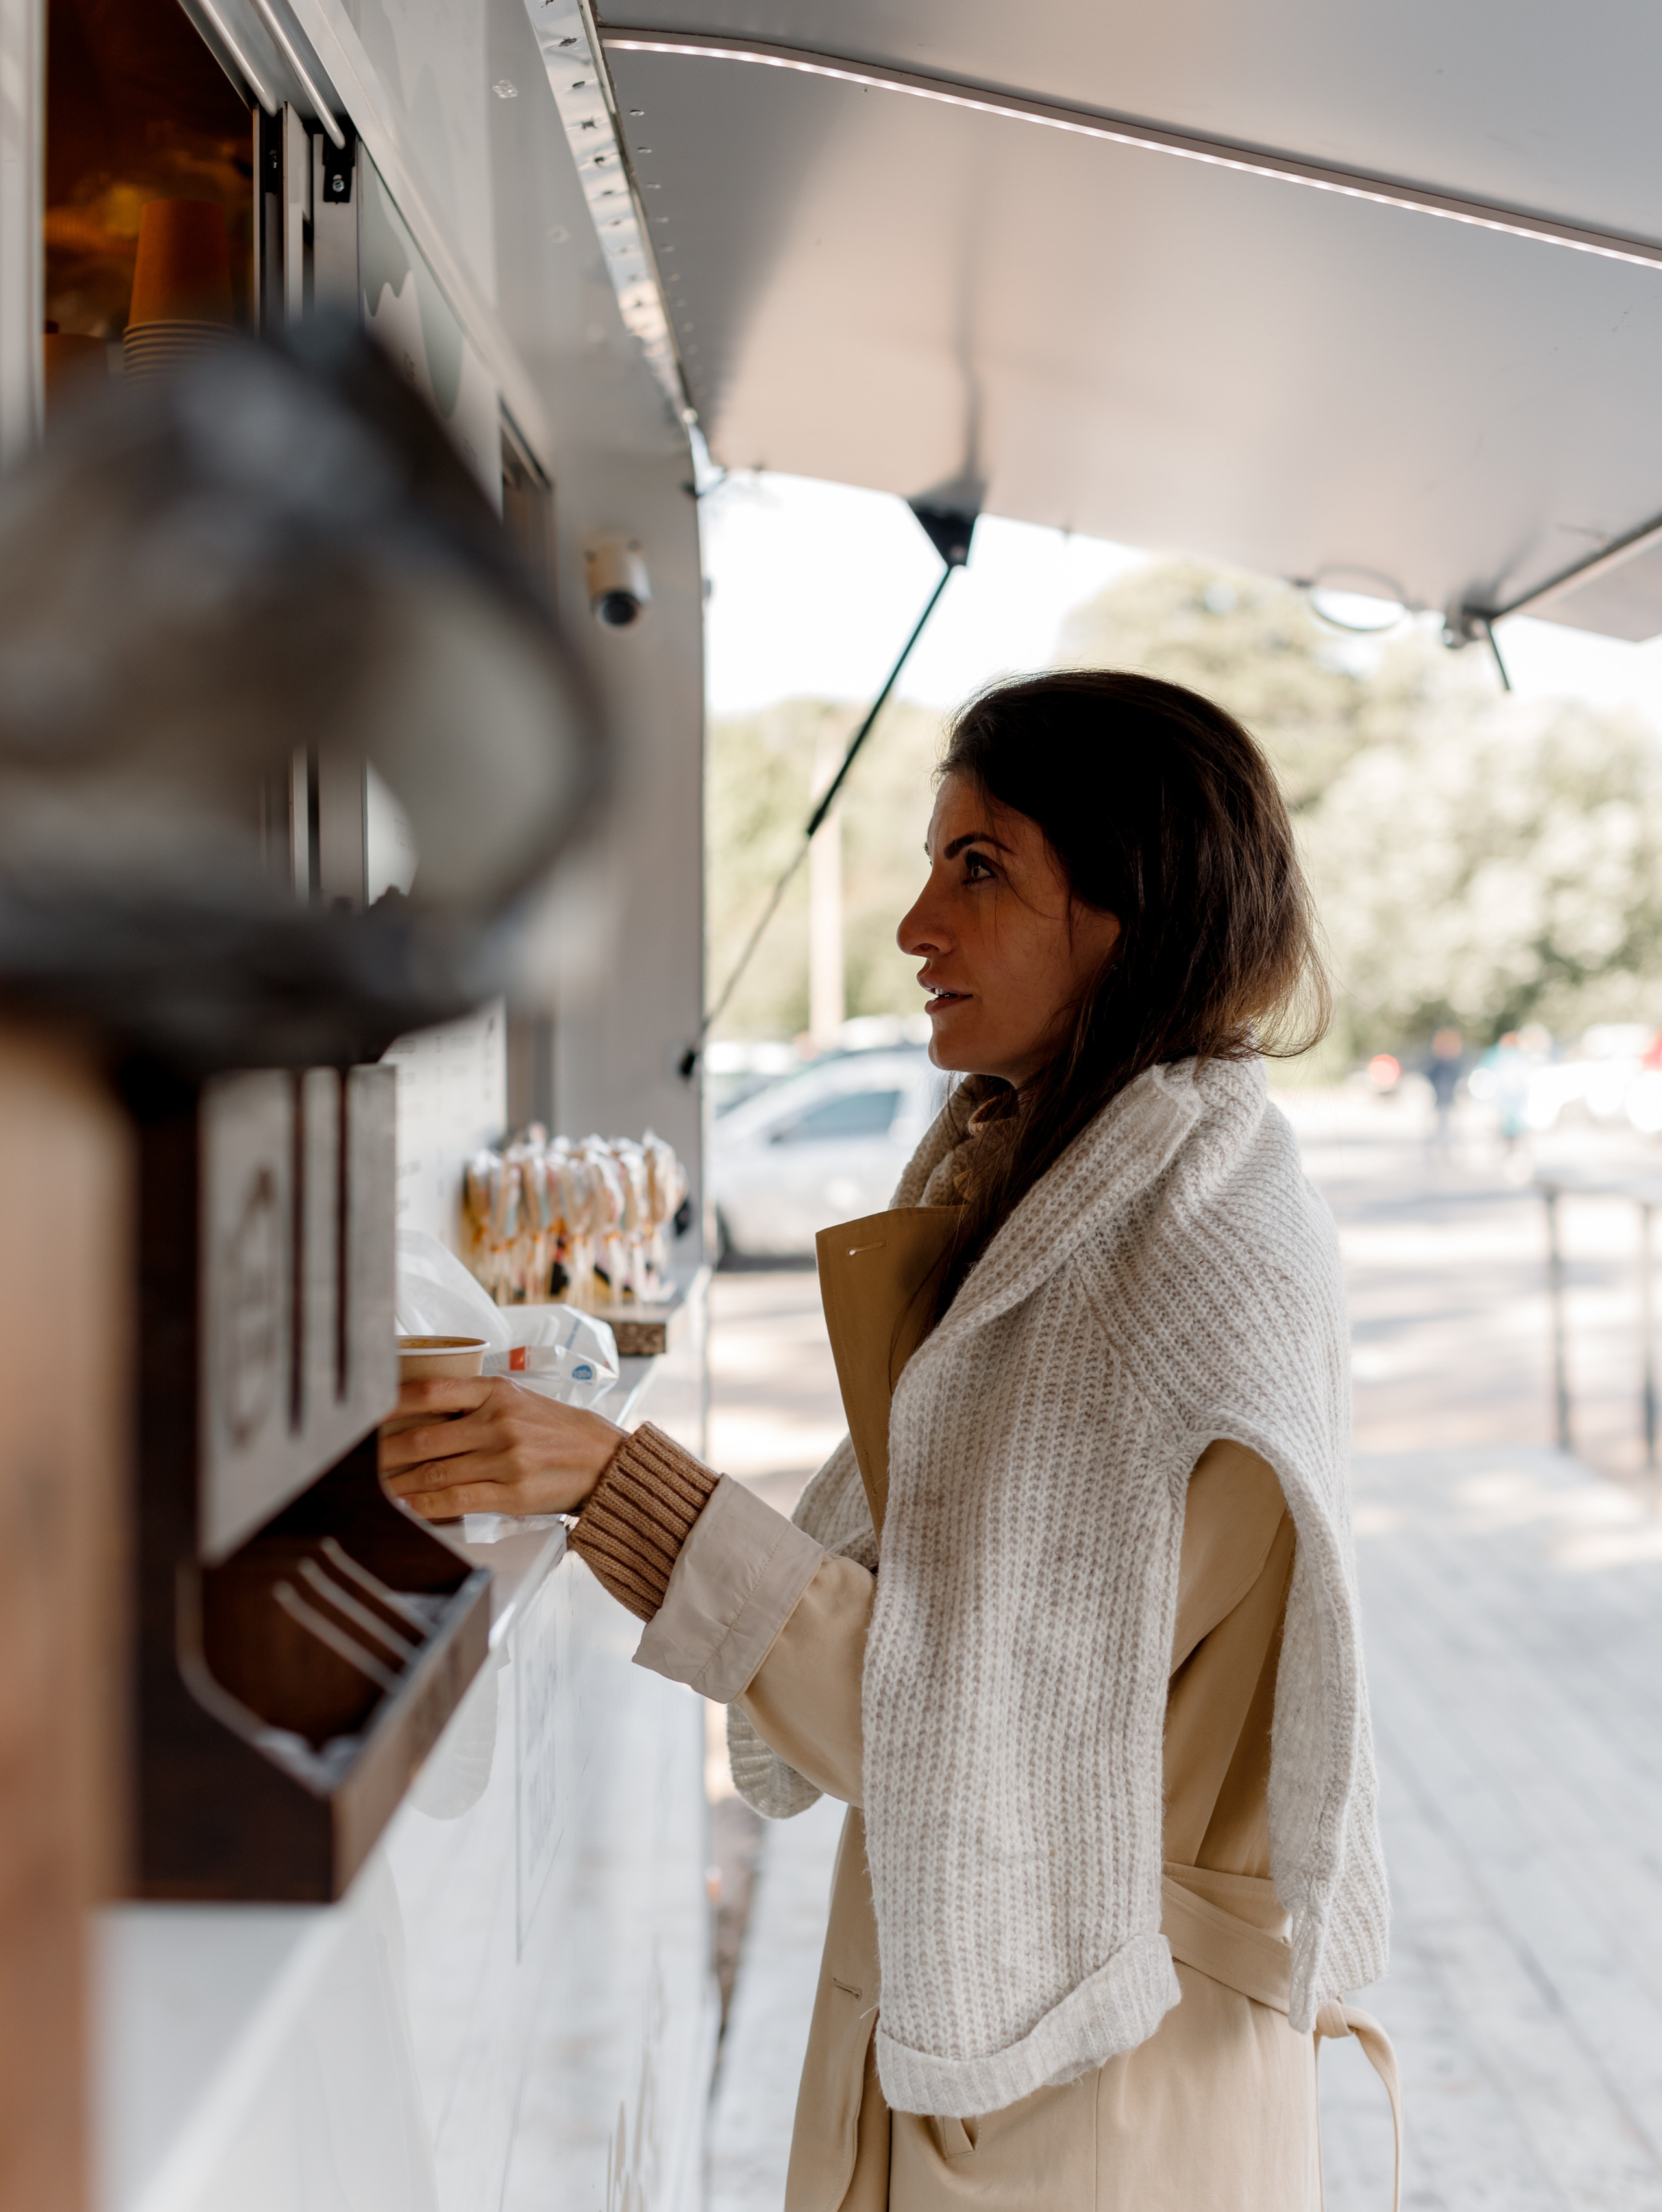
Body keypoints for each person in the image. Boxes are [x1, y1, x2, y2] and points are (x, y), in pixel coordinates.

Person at [380, 671, 1397, 2210]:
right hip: (1016, 2031)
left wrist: (610, 1483)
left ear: (1137, 903)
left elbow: (958, 1717)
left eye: (975, 869)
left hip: (1092, 2088)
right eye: (929, 866)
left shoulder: (1173, 1262)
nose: (916, 925)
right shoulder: (1058, 1189)